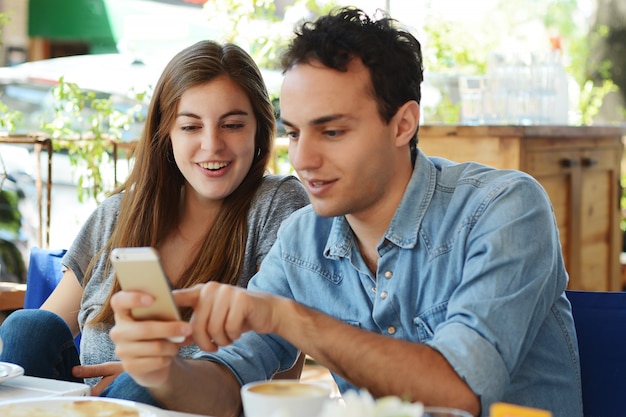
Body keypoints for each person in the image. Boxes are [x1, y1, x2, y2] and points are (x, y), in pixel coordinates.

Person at [107, 7, 583, 417]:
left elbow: (460, 393)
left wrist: (285, 317)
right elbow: (227, 388)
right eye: (294, 133)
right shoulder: (301, 242)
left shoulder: (504, 208)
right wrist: (164, 373)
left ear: (402, 124)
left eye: (331, 132)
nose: (303, 159)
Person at [0, 39, 309, 396]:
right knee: (28, 326)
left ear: (258, 130)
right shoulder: (119, 214)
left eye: (233, 125)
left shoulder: (277, 201)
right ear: (167, 135)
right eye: (191, 127)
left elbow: (283, 364)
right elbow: (40, 333)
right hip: (90, 404)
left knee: (138, 385)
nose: (212, 145)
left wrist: (163, 376)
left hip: (203, 403)